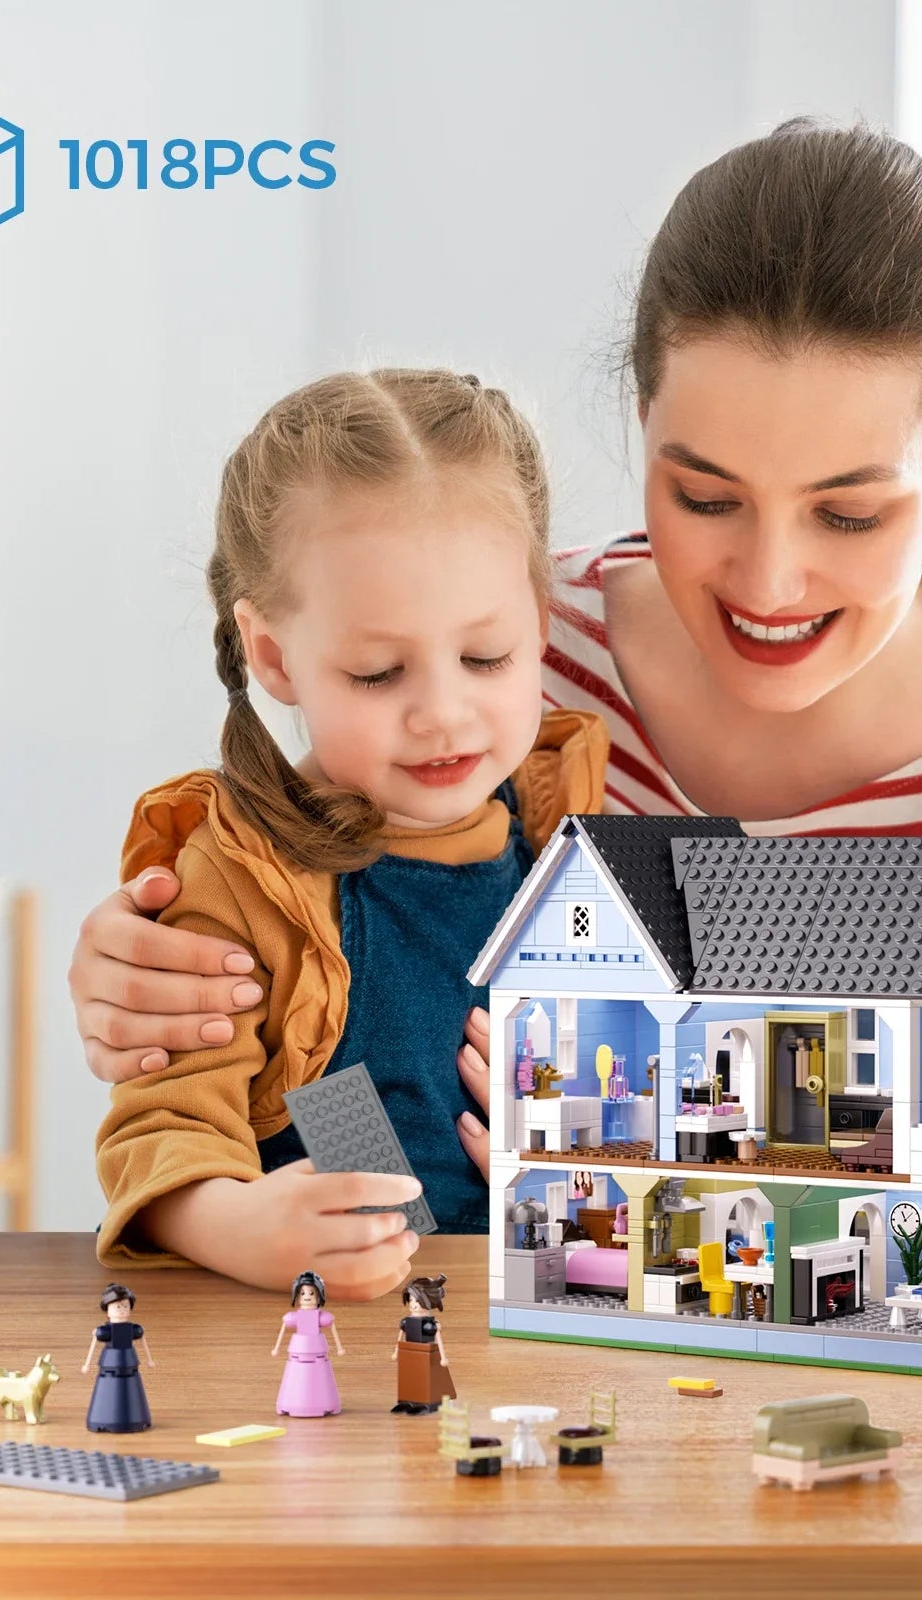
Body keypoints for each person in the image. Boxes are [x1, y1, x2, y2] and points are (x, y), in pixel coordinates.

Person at [71, 119, 922, 1154]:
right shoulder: (501, 661)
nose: (767, 581)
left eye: (848, 513)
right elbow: (303, 975)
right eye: (705, 496)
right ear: (644, 420)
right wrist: (167, 982)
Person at [92, 369, 609, 1300]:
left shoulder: (573, 842)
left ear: (538, 624)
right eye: (378, 673)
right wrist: (240, 1224)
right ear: (275, 658)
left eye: (486, 657)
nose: (443, 714)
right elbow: (161, 1131)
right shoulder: (248, 878)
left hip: (538, 1331)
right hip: (328, 1351)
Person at [82, 1282, 154, 1433]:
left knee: (132, 1389)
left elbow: (143, 1339)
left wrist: (149, 1359)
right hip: (110, 1364)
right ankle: (103, 1418)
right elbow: (94, 1342)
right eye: (118, 1307)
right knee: (107, 1389)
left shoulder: (133, 1329)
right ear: (107, 1309)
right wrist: (87, 1364)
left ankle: (136, 1418)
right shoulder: (104, 1331)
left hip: (128, 1363)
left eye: (125, 1306)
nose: (122, 1310)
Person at [272, 1269, 345, 1418]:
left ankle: (323, 1402)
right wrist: (276, 1348)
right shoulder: (292, 1317)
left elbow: (332, 1326)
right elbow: (283, 1328)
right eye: (303, 1293)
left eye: (311, 1293)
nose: (306, 1297)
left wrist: (339, 1347)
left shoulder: (322, 1317)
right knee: (295, 1375)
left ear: (319, 1296)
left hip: (317, 1354)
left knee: (320, 1377)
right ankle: (292, 1402)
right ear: (297, 1296)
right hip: (297, 1354)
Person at [390, 1275, 453, 1415]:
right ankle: (406, 1400)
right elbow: (400, 1336)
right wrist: (396, 1351)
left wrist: (443, 1357)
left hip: (427, 1354)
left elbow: (438, 1338)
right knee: (407, 1377)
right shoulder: (406, 1321)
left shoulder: (430, 1324)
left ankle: (426, 1403)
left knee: (426, 1379)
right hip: (409, 1353)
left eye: (417, 1300)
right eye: (411, 1299)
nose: (413, 1304)